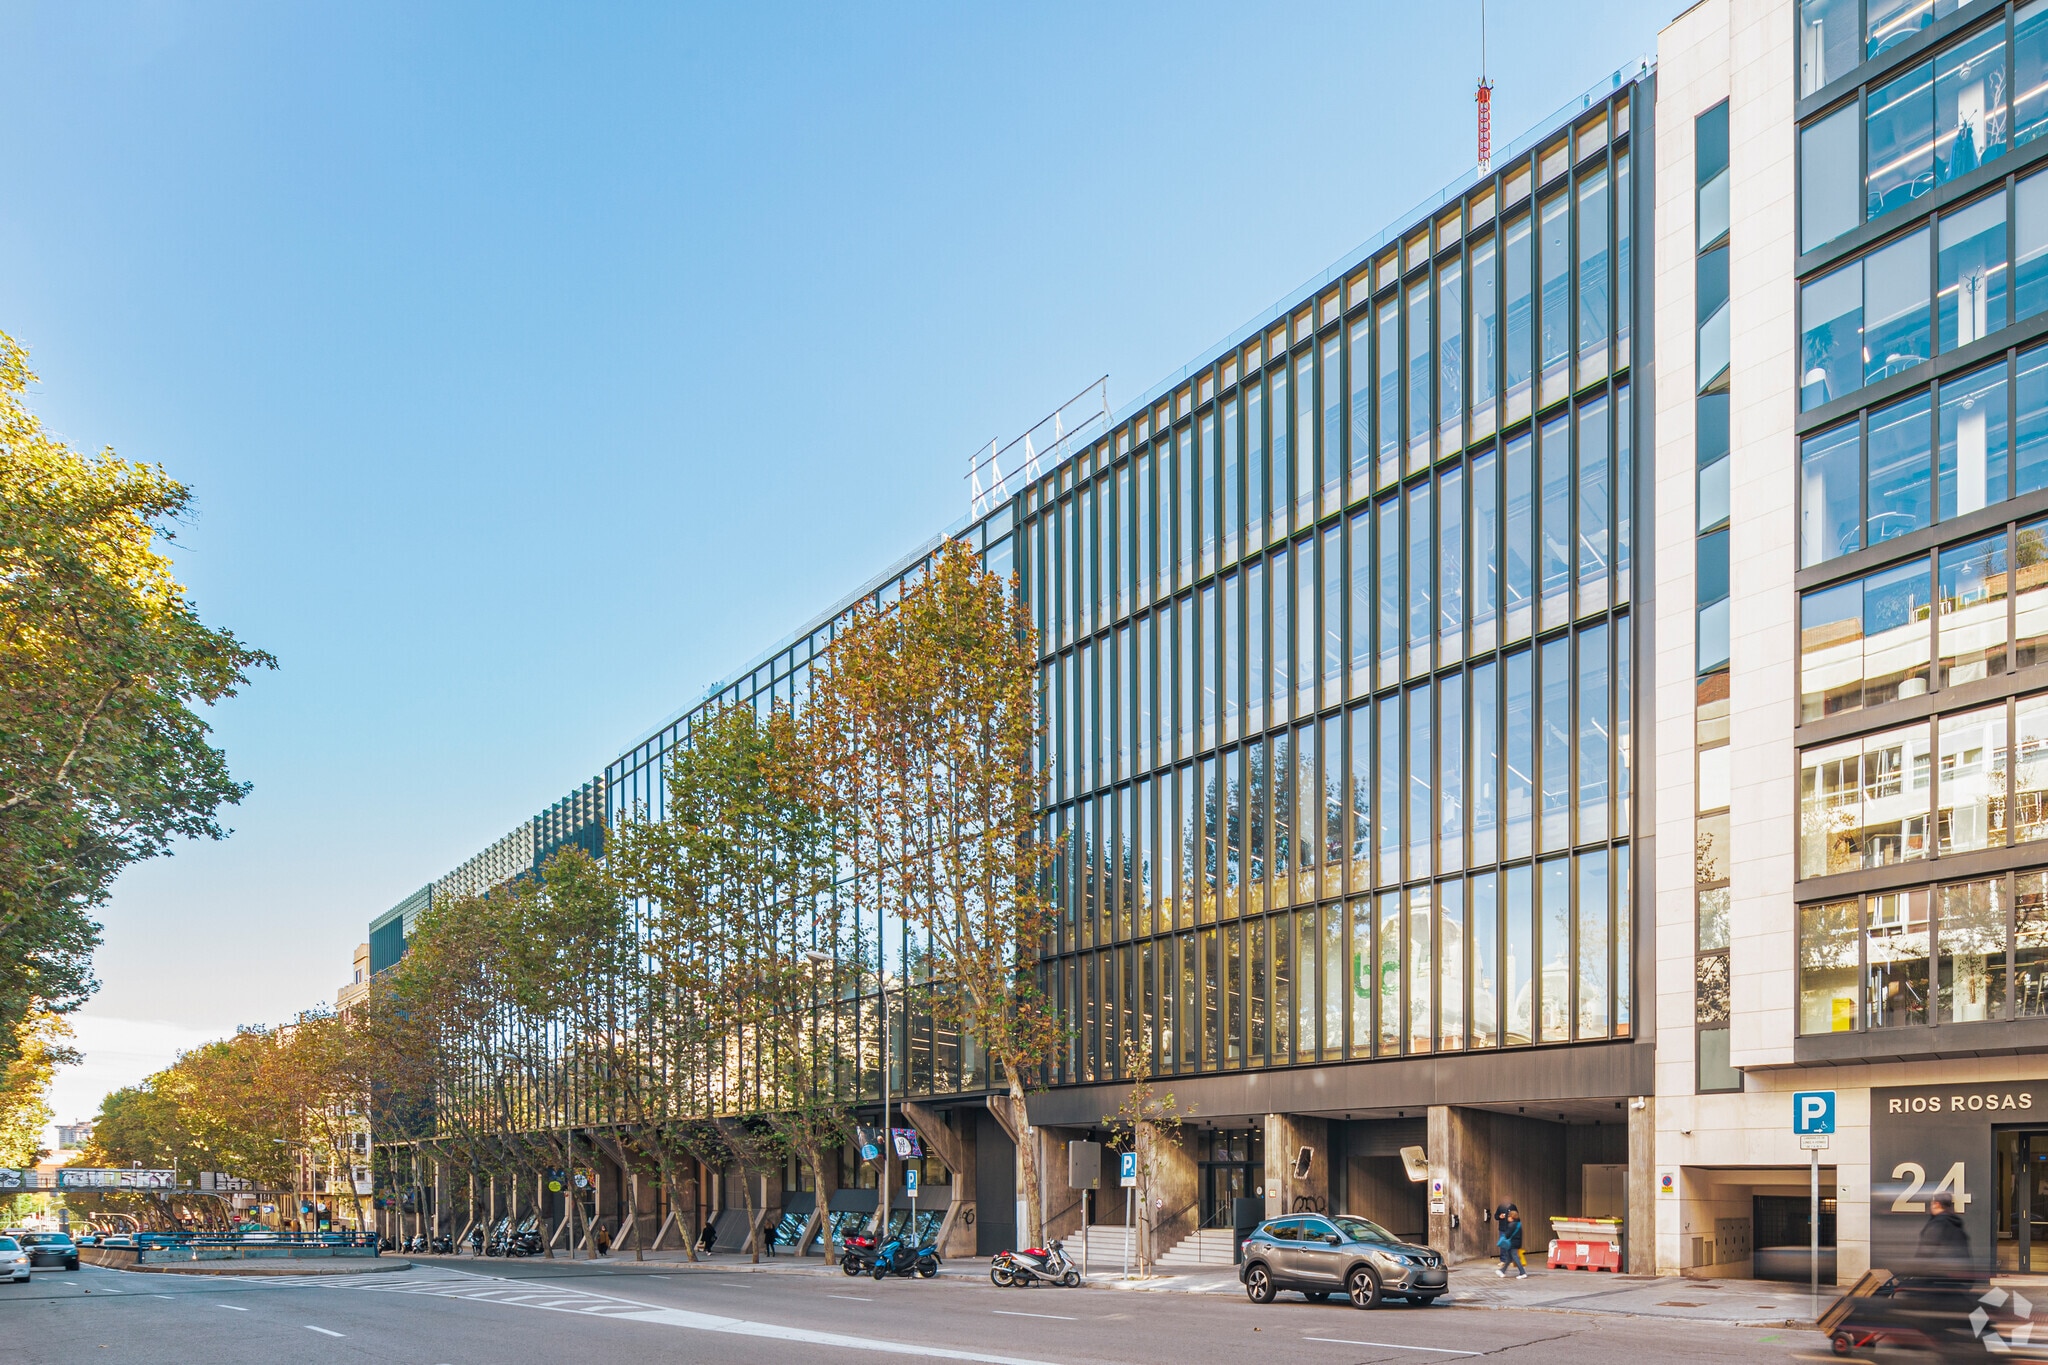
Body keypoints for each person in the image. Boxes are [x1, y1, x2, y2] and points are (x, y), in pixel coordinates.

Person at [1917, 1193, 1971, 1270]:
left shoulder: (1938, 1224)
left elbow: (1925, 1253)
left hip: (1937, 1274)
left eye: (1932, 1203)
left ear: (1937, 1204)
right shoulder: (1956, 1224)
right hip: (1957, 1274)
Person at [1497, 1207, 1527, 1279]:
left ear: (1511, 1217)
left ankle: (1522, 1272)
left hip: (1512, 1244)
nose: (1507, 1218)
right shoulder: (1518, 1224)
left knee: (1515, 1257)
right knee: (1509, 1258)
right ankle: (1502, 1271)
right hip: (1516, 1243)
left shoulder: (1511, 1225)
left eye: (1509, 1216)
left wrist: (1503, 1238)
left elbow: (1507, 1235)